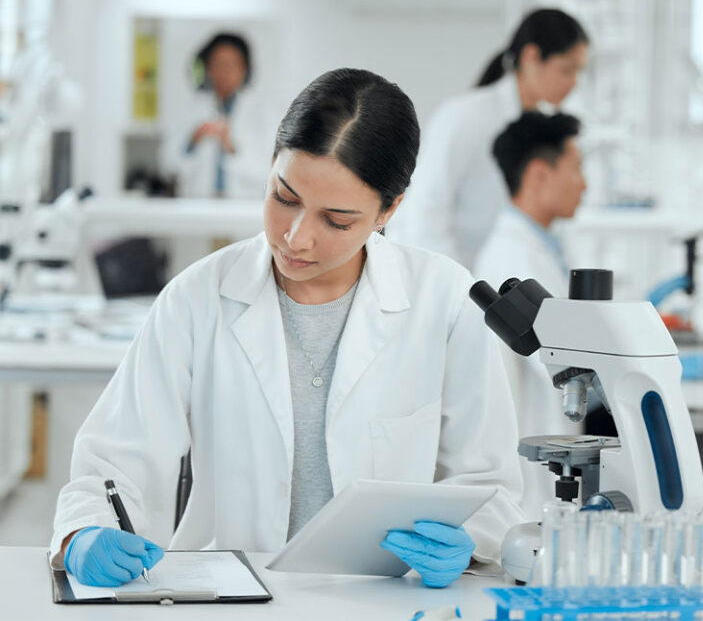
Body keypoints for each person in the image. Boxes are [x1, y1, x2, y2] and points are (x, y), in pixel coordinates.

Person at [51, 68, 527, 589]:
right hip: (233, 589)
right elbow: (118, 454)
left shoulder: (444, 301)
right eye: (285, 197)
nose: (297, 238)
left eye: (336, 221)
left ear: (389, 210)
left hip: (385, 599)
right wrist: (84, 532)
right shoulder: (198, 297)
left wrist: (472, 542)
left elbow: (491, 485)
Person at [392, 8, 588, 268]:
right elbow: (425, 211)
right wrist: (457, 287)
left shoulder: (538, 128)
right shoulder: (467, 116)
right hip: (445, 275)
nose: (574, 83)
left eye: (579, 73)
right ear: (531, 57)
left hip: (489, 281)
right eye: (566, 70)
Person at [473, 111, 586, 519]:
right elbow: (562, 364)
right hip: (532, 481)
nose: (584, 184)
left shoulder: (539, 246)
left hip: (553, 460)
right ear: (539, 174)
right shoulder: (510, 256)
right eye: (576, 169)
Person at [168, 32, 274, 198]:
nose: (224, 72)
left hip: (242, 206)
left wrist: (230, 147)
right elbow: (170, 165)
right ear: (208, 68)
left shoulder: (261, 112)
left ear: (244, 69)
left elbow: (268, 170)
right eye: (218, 64)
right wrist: (193, 141)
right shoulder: (190, 108)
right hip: (197, 204)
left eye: (231, 65)